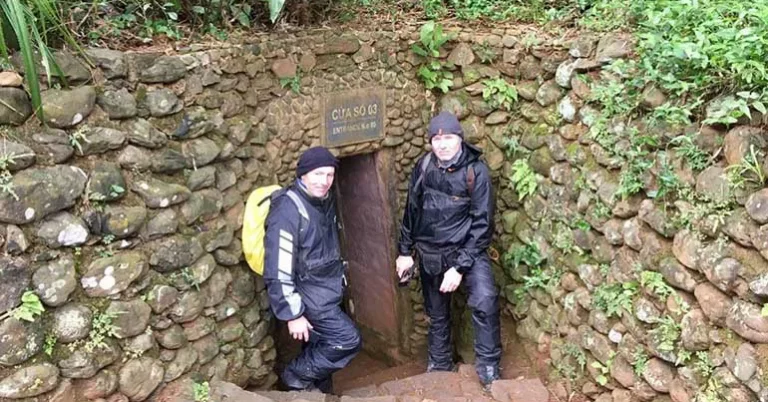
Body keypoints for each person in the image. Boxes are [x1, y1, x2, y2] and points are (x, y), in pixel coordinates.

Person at [396, 111, 502, 389]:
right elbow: (412, 211)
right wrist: (405, 251)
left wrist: (459, 267)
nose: (442, 144)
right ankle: (439, 363)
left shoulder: (475, 172)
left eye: (448, 138)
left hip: (468, 248)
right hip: (431, 250)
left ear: (460, 139)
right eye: (436, 139)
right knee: (437, 312)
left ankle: (489, 367)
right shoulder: (424, 166)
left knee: (484, 300)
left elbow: (482, 225)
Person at [263, 146, 361, 393]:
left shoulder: (322, 200)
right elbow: (278, 268)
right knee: (347, 339)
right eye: (318, 174)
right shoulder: (287, 210)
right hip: (310, 297)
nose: (324, 181)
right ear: (303, 174)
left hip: (327, 290)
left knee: (318, 345)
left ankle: (319, 393)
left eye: (329, 175)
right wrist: (293, 314)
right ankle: (294, 376)